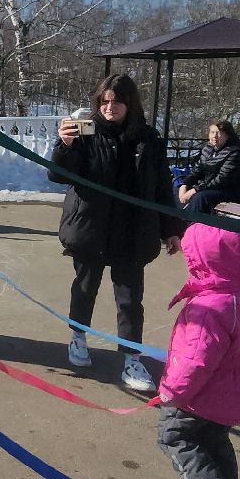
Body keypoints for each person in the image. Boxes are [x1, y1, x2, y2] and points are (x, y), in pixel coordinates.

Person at [48, 73, 182, 393]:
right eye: (104, 101)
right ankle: (78, 338)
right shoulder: (85, 132)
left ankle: (131, 358)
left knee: (130, 300)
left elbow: (162, 186)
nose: (109, 107)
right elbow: (57, 175)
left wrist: (171, 229)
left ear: (129, 103)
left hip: (133, 232)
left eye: (117, 101)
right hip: (90, 227)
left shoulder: (148, 139)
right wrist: (65, 145)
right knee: (84, 289)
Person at [155, 224, 240, 479]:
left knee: (172, 434)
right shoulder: (239, 295)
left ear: (202, 260)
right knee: (215, 439)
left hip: (201, 395)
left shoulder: (208, 308)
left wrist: (172, 392)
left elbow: (195, 360)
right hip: (231, 389)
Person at [175, 120, 240, 213]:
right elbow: (197, 170)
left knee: (201, 197)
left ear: (228, 135)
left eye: (219, 133)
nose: (214, 136)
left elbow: (222, 179)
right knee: (177, 189)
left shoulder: (237, 152)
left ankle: (192, 224)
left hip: (232, 191)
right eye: (212, 132)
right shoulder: (209, 148)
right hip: (210, 187)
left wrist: (195, 189)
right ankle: (179, 221)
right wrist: (185, 184)